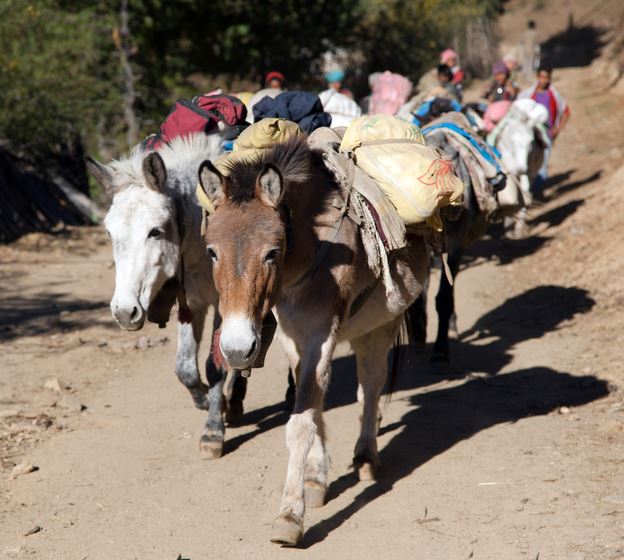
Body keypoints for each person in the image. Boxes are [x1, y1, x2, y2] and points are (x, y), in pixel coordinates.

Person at [519, 65, 571, 190]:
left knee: (542, 164)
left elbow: (566, 112)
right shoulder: (528, 95)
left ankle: (538, 193)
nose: (543, 80)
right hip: (530, 134)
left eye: (546, 78)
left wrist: (558, 128)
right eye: (541, 77)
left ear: (550, 78)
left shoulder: (555, 96)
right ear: (537, 77)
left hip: (547, 135)